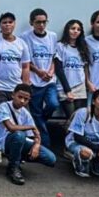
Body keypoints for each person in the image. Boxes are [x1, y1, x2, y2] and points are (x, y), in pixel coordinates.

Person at [0, 12, 31, 164]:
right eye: (4, 22)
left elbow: (25, 67)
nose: (7, 25)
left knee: (17, 118)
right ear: (0, 25)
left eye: (10, 22)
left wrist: (26, 88)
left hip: (15, 88)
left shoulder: (22, 44)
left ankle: (16, 149)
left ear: (14, 24)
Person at [0, 84, 57, 185]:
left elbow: (35, 134)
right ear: (13, 95)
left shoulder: (25, 113)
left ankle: (17, 157)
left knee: (51, 159)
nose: (22, 101)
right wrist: (31, 127)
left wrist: (36, 145)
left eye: (26, 99)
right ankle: (13, 168)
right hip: (4, 142)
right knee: (19, 135)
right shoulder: (4, 107)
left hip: (20, 141)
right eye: (20, 97)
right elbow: (11, 127)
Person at [19, 8, 58, 148]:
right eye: (38, 22)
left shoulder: (52, 36)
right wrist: (38, 71)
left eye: (44, 22)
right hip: (34, 81)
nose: (41, 25)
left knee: (53, 103)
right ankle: (44, 143)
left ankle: (41, 121)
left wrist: (50, 72)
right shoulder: (25, 37)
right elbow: (25, 60)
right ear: (32, 23)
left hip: (49, 81)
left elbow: (54, 57)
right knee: (35, 113)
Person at [55, 19, 92, 117]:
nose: (75, 31)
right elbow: (58, 69)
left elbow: (85, 68)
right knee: (72, 118)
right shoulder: (60, 46)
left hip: (80, 86)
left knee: (81, 118)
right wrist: (67, 91)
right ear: (67, 30)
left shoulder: (82, 47)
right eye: (73, 28)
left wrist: (87, 82)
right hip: (65, 87)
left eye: (78, 29)